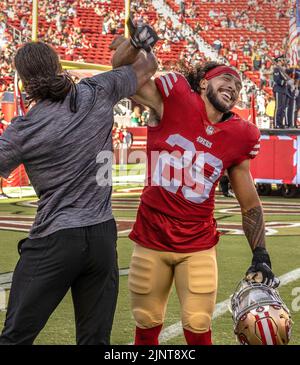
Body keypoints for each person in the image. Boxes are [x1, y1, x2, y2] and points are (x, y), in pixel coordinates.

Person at [112, 38, 278, 345]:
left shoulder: (240, 134)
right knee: (146, 325)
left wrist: (261, 253)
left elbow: (249, 201)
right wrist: (135, 44)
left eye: (239, 85)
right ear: (203, 83)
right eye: (227, 79)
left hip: (197, 243)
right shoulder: (171, 99)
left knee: (199, 325)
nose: (234, 86)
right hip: (151, 236)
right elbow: (121, 73)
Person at [0, 34, 158, 345]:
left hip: (54, 238)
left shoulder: (25, 128)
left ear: (24, 82)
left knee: (16, 338)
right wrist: (140, 43)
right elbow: (146, 66)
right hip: (101, 235)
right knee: (94, 340)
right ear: (59, 66)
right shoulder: (95, 91)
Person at [272, 56, 289, 128]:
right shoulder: (276, 69)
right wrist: (286, 82)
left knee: (283, 108)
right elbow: (277, 79)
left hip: (284, 90)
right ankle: (276, 124)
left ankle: (281, 123)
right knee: (278, 107)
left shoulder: (283, 70)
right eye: (282, 60)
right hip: (278, 89)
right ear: (278, 61)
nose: (283, 61)